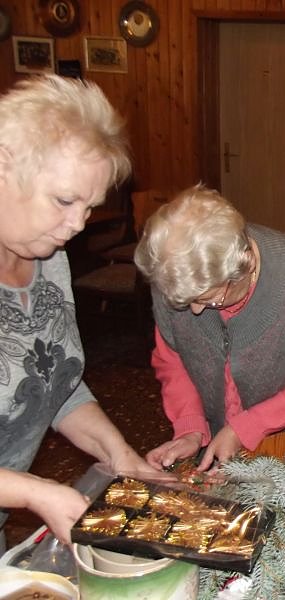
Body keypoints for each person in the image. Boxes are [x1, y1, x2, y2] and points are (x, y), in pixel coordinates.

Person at [0, 75, 157, 550]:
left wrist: (120, 454)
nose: (76, 226)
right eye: (64, 201)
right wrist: (36, 492)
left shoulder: (48, 256)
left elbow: (55, 382)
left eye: (89, 207)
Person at [134, 184, 285, 473]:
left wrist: (245, 427)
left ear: (246, 263)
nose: (195, 311)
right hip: (225, 435)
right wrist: (190, 427)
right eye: (187, 301)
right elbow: (173, 359)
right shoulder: (177, 277)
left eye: (207, 299)